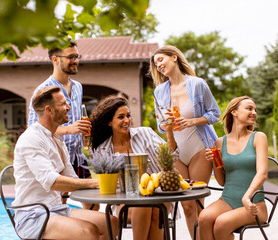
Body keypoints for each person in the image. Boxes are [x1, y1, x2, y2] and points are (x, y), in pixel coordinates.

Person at [13, 86, 118, 240]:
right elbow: (52, 181)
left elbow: (72, 179)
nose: (68, 107)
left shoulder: (57, 139)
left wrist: (108, 181)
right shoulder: (32, 138)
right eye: (63, 104)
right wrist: (94, 184)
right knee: (88, 232)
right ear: (49, 110)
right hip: (33, 215)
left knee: (111, 222)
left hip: (58, 209)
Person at [150, 45, 221, 237]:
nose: (159, 66)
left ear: (174, 57)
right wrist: (166, 124)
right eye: (156, 64)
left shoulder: (197, 84)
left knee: (197, 202)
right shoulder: (160, 91)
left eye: (161, 60)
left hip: (199, 148)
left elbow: (215, 113)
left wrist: (191, 121)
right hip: (176, 153)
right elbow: (160, 125)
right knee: (187, 206)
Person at [90, 95, 177, 240]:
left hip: (157, 196)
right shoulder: (103, 150)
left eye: (128, 115)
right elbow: (108, 185)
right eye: (121, 117)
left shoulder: (145, 134)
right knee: (143, 205)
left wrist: (169, 131)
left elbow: (172, 157)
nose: (127, 120)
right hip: (123, 203)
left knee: (153, 208)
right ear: (109, 122)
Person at [27, 41, 95, 209]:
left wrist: (83, 132)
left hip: (77, 157)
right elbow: (34, 128)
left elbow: (75, 119)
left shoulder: (78, 87)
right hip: (55, 158)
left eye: (77, 56)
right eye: (71, 57)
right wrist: (69, 130)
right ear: (55, 59)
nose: (76, 60)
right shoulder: (43, 91)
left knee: (93, 204)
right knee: (59, 205)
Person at [198, 96, 268, 240]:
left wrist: (247, 197)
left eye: (255, 109)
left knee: (221, 223)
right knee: (203, 218)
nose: (254, 112)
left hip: (254, 204)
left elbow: (262, 173)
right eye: (249, 108)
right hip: (227, 200)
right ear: (234, 112)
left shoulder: (258, 137)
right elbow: (222, 182)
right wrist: (214, 162)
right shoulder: (220, 142)